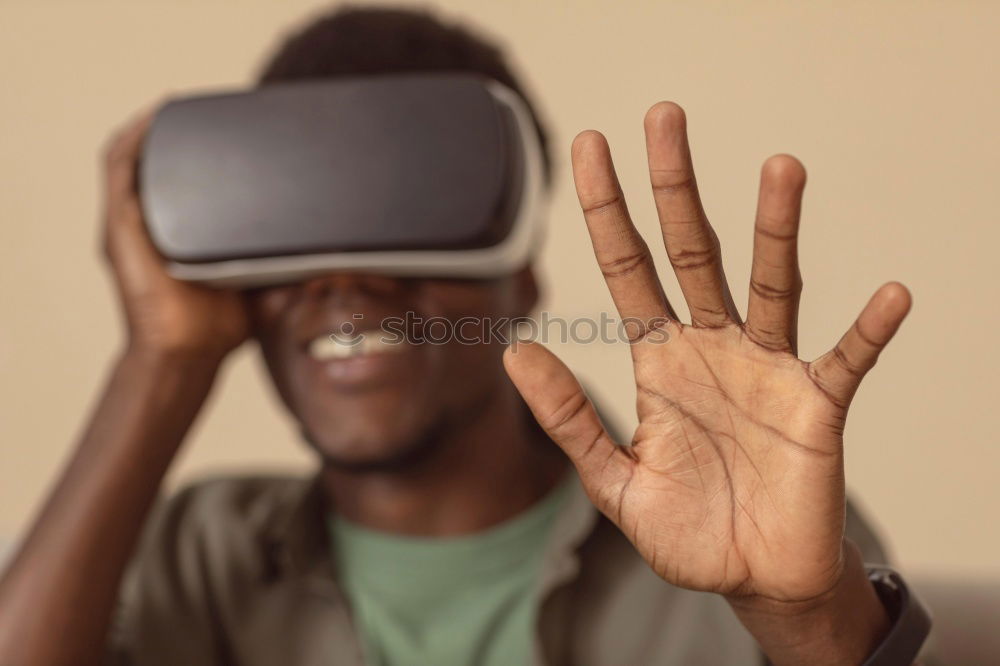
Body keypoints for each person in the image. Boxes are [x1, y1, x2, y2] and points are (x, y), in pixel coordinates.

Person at [0, 6, 927, 665]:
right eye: (304, 237)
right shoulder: (197, 553)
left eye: (409, 217)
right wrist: (160, 363)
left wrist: (808, 627)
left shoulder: (743, 523)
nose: (348, 283)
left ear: (520, 275)